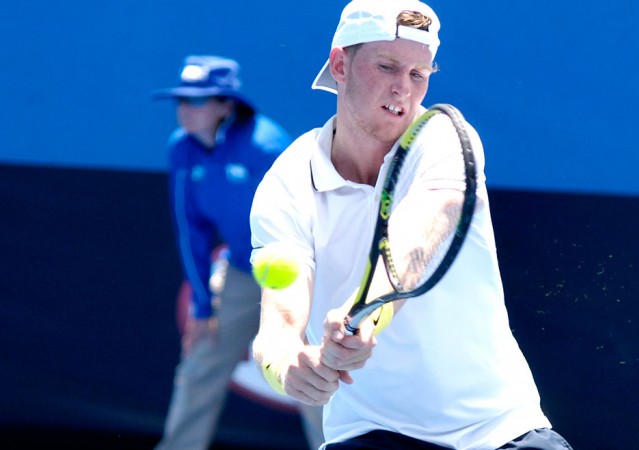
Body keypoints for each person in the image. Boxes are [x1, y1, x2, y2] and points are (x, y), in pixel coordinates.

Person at [249, 1, 574, 449]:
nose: (403, 88)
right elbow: (278, 321)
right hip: (369, 434)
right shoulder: (286, 182)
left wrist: (365, 314)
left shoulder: (443, 138)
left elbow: (416, 240)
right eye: (387, 66)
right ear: (340, 63)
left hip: (499, 431)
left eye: (419, 74)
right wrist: (288, 366)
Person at [152, 55, 323, 450]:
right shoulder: (181, 149)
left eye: (197, 101)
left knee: (311, 373)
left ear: (226, 105)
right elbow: (190, 230)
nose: (184, 110)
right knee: (199, 363)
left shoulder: (266, 145)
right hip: (242, 274)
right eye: (181, 100)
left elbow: (306, 222)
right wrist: (201, 304)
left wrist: (305, 288)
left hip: (300, 275)